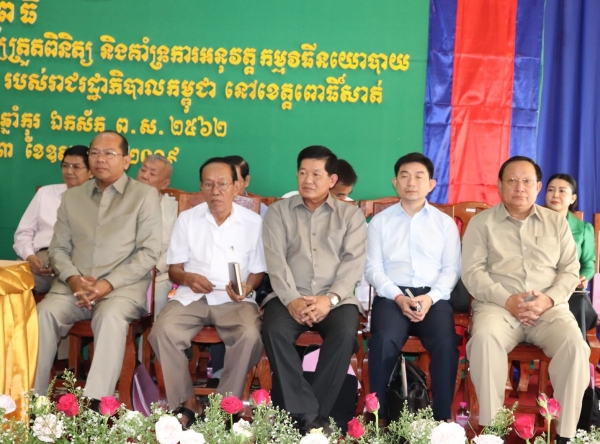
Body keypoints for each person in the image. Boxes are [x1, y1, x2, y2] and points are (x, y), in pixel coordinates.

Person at [462, 156, 589, 444]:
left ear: (538, 187)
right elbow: (472, 272)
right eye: (512, 180)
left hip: (549, 310)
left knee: (575, 345)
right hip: (498, 308)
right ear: (499, 185)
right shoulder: (482, 223)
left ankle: (565, 435)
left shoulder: (556, 222)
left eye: (527, 181)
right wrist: (507, 300)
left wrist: (548, 300)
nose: (520, 187)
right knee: (484, 340)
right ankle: (492, 431)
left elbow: (570, 271)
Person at [34, 131, 162, 408]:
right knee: (44, 314)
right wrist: (73, 279)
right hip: (73, 289)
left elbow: (149, 253)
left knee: (110, 316)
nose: (100, 159)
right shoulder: (73, 197)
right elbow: (57, 249)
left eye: (109, 153)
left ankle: (95, 405)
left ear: (126, 160)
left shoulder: (144, 196)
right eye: (95, 153)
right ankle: (34, 401)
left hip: (121, 290)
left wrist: (108, 284)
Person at [148, 157, 266, 428]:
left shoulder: (253, 222)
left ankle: (224, 407)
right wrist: (187, 278)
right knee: (162, 331)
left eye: (223, 184)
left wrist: (247, 287)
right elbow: (174, 269)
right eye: (209, 184)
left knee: (249, 335)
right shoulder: (188, 219)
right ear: (201, 187)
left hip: (234, 299)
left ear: (236, 187)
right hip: (193, 295)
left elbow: (258, 271)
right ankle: (188, 402)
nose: (216, 191)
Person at [262, 146, 367, 433]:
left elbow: (353, 264)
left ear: (332, 180)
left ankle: (304, 418)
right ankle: (313, 417)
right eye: (302, 172)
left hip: (336, 298)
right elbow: (276, 261)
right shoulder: (278, 212)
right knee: (274, 331)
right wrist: (292, 300)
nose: (308, 179)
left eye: (316, 174)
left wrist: (328, 299)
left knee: (344, 335)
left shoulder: (351, 216)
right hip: (288, 296)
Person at [365, 152, 460, 422]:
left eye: (419, 176)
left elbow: (451, 270)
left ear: (431, 184)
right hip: (392, 296)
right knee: (383, 341)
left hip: (433, 298)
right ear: (395, 182)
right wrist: (397, 297)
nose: (411, 182)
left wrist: (430, 298)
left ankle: (441, 420)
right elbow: (373, 269)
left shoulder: (444, 223)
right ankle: (379, 418)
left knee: (445, 343)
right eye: (404, 176)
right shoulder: (380, 222)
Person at [13, 145, 92, 293]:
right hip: (40, 259)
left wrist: (63, 264)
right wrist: (29, 256)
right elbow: (23, 233)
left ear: (91, 172)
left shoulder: (98, 201)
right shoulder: (46, 193)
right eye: (65, 166)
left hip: (75, 266)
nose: (69, 171)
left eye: (76, 167)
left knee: (63, 297)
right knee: (7, 284)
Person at [545, 173, 597, 336]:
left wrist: (583, 277)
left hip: (569, 289)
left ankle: (574, 347)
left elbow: (588, 264)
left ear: (573, 198)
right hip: (538, 287)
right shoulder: (532, 223)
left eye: (562, 191)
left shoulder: (583, 229)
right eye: (551, 190)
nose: (555, 195)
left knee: (579, 304)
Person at [136, 154, 178, 317]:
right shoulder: (121, 203)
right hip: (124, 272)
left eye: (152, 174)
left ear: (165, 183)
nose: (145, 176)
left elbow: (175, 247)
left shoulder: (174, 209)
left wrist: (155, 269)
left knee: (158, 294)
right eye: (143, 170)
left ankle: (150, 334)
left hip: (158, 274)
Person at [281, 158, 358, 202]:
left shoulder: (350, 206)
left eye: (347, 194)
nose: (344, 199)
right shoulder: (289, 200)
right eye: (339, 195)